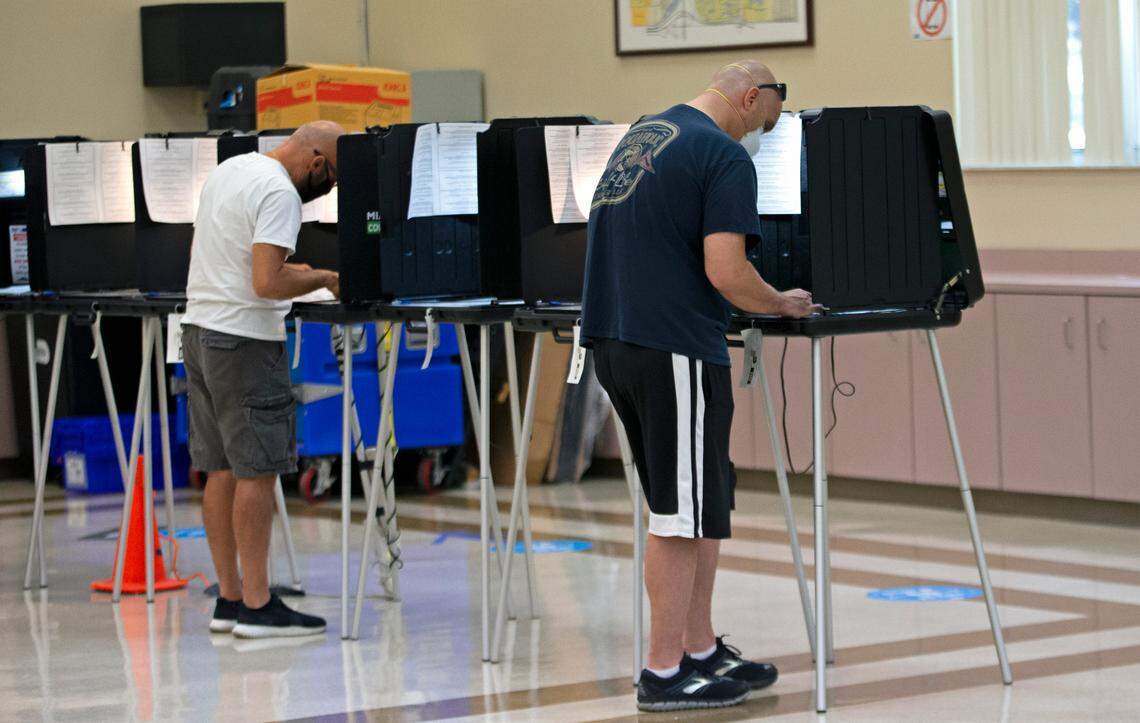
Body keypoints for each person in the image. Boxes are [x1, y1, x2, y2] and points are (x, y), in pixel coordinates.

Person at [581, 61, 820, 712]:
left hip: (614, 338)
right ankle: (664, 671)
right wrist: (781, 301)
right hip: (674, 346)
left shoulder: (642, 136)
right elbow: (727, 269)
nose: (758, 141)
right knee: (680, 514)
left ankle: (700, 649)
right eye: (763, 126)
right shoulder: (720, 153)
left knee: (696, 496)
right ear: (749, 98)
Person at [181, 120, 344, 639]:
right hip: (244, 343)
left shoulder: (231, 170)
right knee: (257, 470)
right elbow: (267, 281)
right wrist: (323, 277)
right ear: (316, 162)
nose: (328, 189)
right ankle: (257, 605)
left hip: (198, 332)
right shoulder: (279, 192)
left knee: (221, 469)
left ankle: (229, 600)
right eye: (332, 178)